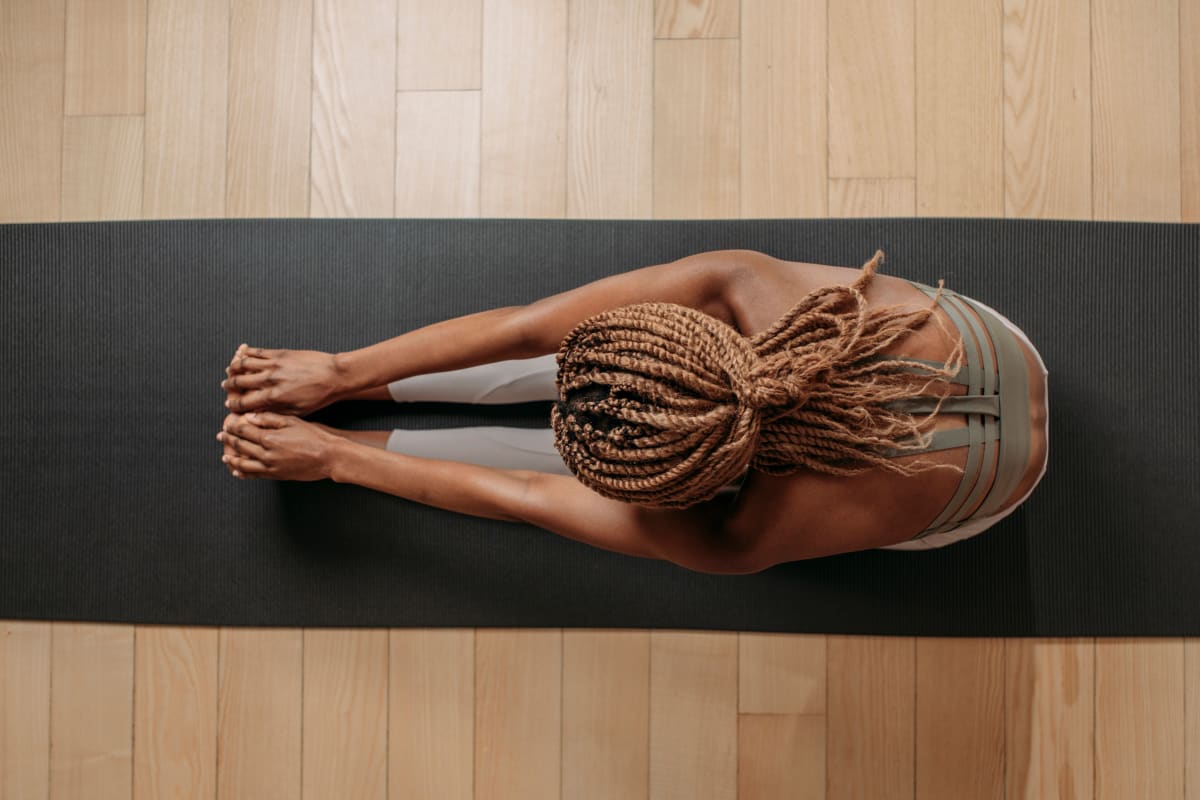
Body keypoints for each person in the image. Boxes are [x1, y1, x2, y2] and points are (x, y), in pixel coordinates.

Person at [216, 249, 1048, 574]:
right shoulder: (746, 286)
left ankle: (656, 438)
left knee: (581, 452)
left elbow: (533, 496)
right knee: (589, 379)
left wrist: (338, 457)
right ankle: (643, 401)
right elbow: (532, 331)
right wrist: (341, 370)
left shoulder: (755, 529)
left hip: (986, 491)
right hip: (993, 346)